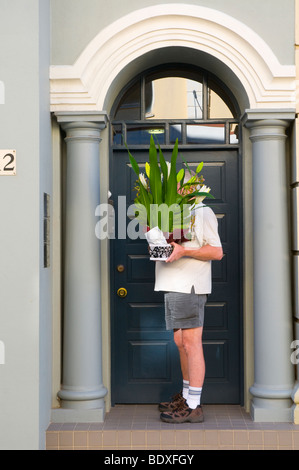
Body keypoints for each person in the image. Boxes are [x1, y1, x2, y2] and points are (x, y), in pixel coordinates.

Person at [154, 197, 223, 424]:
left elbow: (216, 251)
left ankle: (194, 406)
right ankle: (185, 397)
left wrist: (183, 252)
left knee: (192, 343)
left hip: (188, 286)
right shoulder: (171, 212)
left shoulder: (202, 212)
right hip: (172, 285)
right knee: (181, 342)